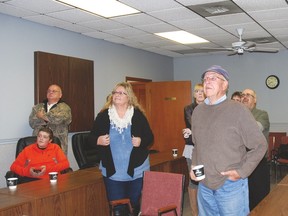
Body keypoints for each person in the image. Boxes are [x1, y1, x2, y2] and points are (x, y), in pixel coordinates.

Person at [189, 65, 267, 216]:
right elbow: (197, 146)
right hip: (204, 185)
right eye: (205, 79)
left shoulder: (237, 109)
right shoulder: (198, 112)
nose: (207, 82)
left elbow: (260, 145)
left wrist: (242, 171)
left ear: (225, 85)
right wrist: (193, 166)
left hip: (230, 186)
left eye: (213, 78)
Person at [89, 82, 154, 216]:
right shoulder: (103, 116)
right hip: (113, 172)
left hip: (136, 170)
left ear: (128, 97)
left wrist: (141, 141)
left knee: (133, 206)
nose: (117, 95)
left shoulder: (137, 115)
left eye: (121, 93)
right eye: (115, 92)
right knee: (118, 209)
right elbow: (89, 139)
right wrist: (98, 140)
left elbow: (149, 138)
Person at [241, 88, 270, 210]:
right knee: (244, 196)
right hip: (241, 162)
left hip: (258, 162)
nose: (245, 97)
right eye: (243, 95)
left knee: (260, 197)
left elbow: (255, 129)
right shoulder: (237, 114)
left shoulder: (262, 114)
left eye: (249, 95)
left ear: (255, 100)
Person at [29, 84, 72, 155]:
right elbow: (32, 123)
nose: (50, 92)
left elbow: (60, 119)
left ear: (60, 95)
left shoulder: (65, 107)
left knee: (56, 162)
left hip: (57, 140)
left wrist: (41, 116)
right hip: (39, 141)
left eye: (54, 91)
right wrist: (49, 119)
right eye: (49, 91)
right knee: (38, 161)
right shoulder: (37, 107)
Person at [182, 83, 205, 216]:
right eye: (197, 91)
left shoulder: (211, 106)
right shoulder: (189, 108)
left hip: (208, 150)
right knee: (195, 180)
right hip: (193, 150)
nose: (200, 93)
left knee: (206, 180)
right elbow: (194, 125)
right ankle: (195, 212)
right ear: (194, 94)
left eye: (202, 91)